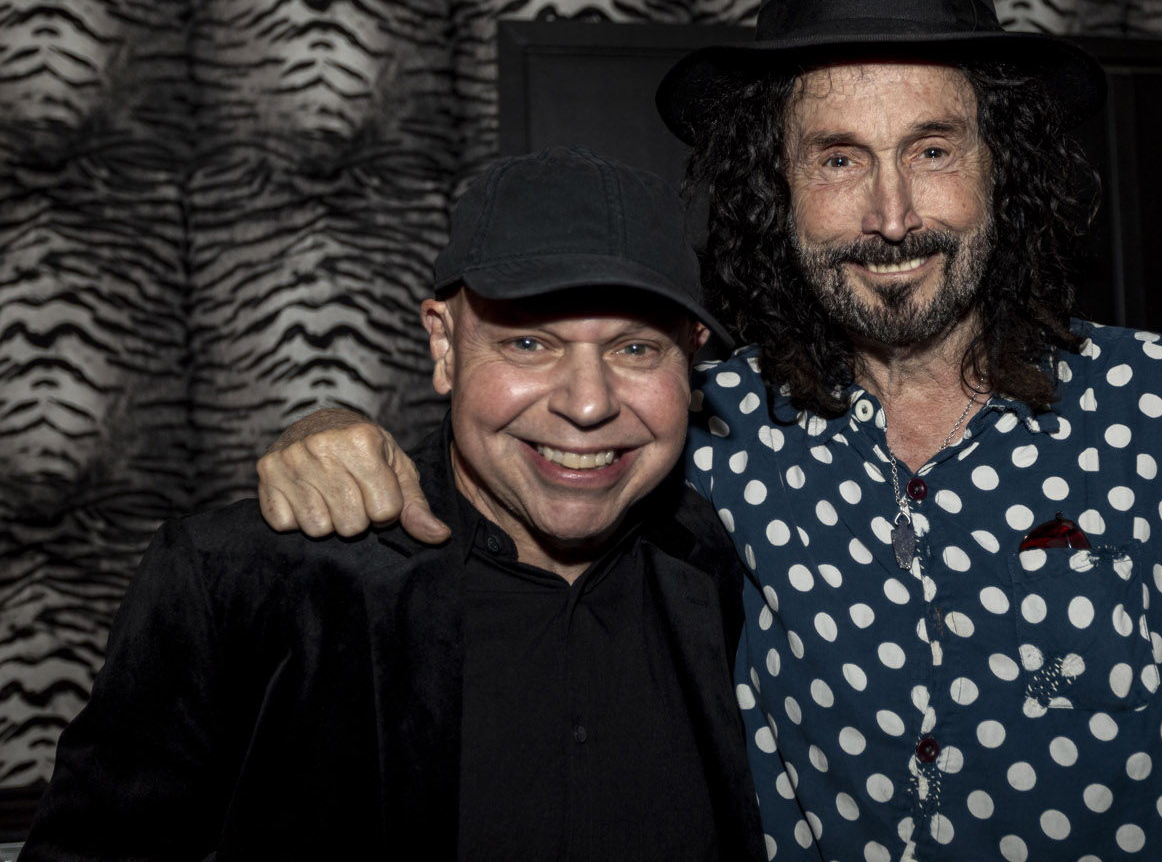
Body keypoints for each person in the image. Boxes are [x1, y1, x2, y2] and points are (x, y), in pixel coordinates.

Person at [255, 0, 1162, 862]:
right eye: (838, 158)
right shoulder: (706, 432)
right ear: (775, 186)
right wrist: (328, 426)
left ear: (1001, 165)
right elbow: (523, 471)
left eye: (932, 148)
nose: (892, 215)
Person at [23, 147, 764, 861]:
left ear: (691, 355)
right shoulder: (246, 581)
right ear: (444, 346)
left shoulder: (730, 562)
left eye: (636, 349)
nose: (588, 403)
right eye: (529, 345)